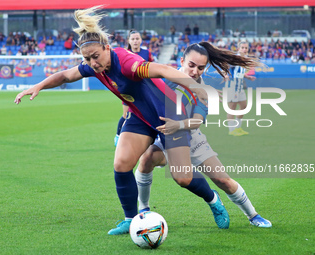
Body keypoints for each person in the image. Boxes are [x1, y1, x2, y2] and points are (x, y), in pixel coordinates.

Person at [14, 6, 259, 236]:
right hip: (141, 118)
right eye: (87, 59)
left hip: (168, 114)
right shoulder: (93, 65)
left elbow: (163, 70)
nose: (92, 64)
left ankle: (213, 200)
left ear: (107, 47)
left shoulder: (129, 64)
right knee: (121, 163)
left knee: (182, 178)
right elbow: (66, 75)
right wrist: (39, 86)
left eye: (96, 57)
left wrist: (196, 86)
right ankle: (131, 219)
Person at [135, 42, 272, 228]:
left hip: (191, 137)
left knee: (222, 179)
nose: (194, 71)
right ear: (182, 60)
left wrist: (179, 124)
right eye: (191, 65)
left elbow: (197, 121)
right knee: (146, 159)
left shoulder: (203, 91)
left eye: (200, 68)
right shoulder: (165, 76)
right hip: (166, 135)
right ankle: (143, 210)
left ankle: (253, 215)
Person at [114, 30, 155, 146]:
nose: (135, 41)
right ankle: (118, 136)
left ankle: (149, 139)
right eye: (133, 39)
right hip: (129, 89)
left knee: (147, 113)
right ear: (129, 41)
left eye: (137, 39)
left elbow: (151, 68)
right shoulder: (125, 54)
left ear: (141, 40)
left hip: (144, 90)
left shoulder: (147, 53)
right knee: (126, 115)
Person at [225, 41, 256, 136]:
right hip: (232, 85)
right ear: (238, 48)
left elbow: (240, 71)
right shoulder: (235, 58)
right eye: (242, 47)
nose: (244, 49)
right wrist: (225, 75)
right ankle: (231, 130)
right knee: (232, 108)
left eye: (246, 48)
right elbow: (225, 65)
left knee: (244, 106)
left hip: (240, 86)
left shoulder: (244, 59)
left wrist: (247, 77)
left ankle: (238, 128)